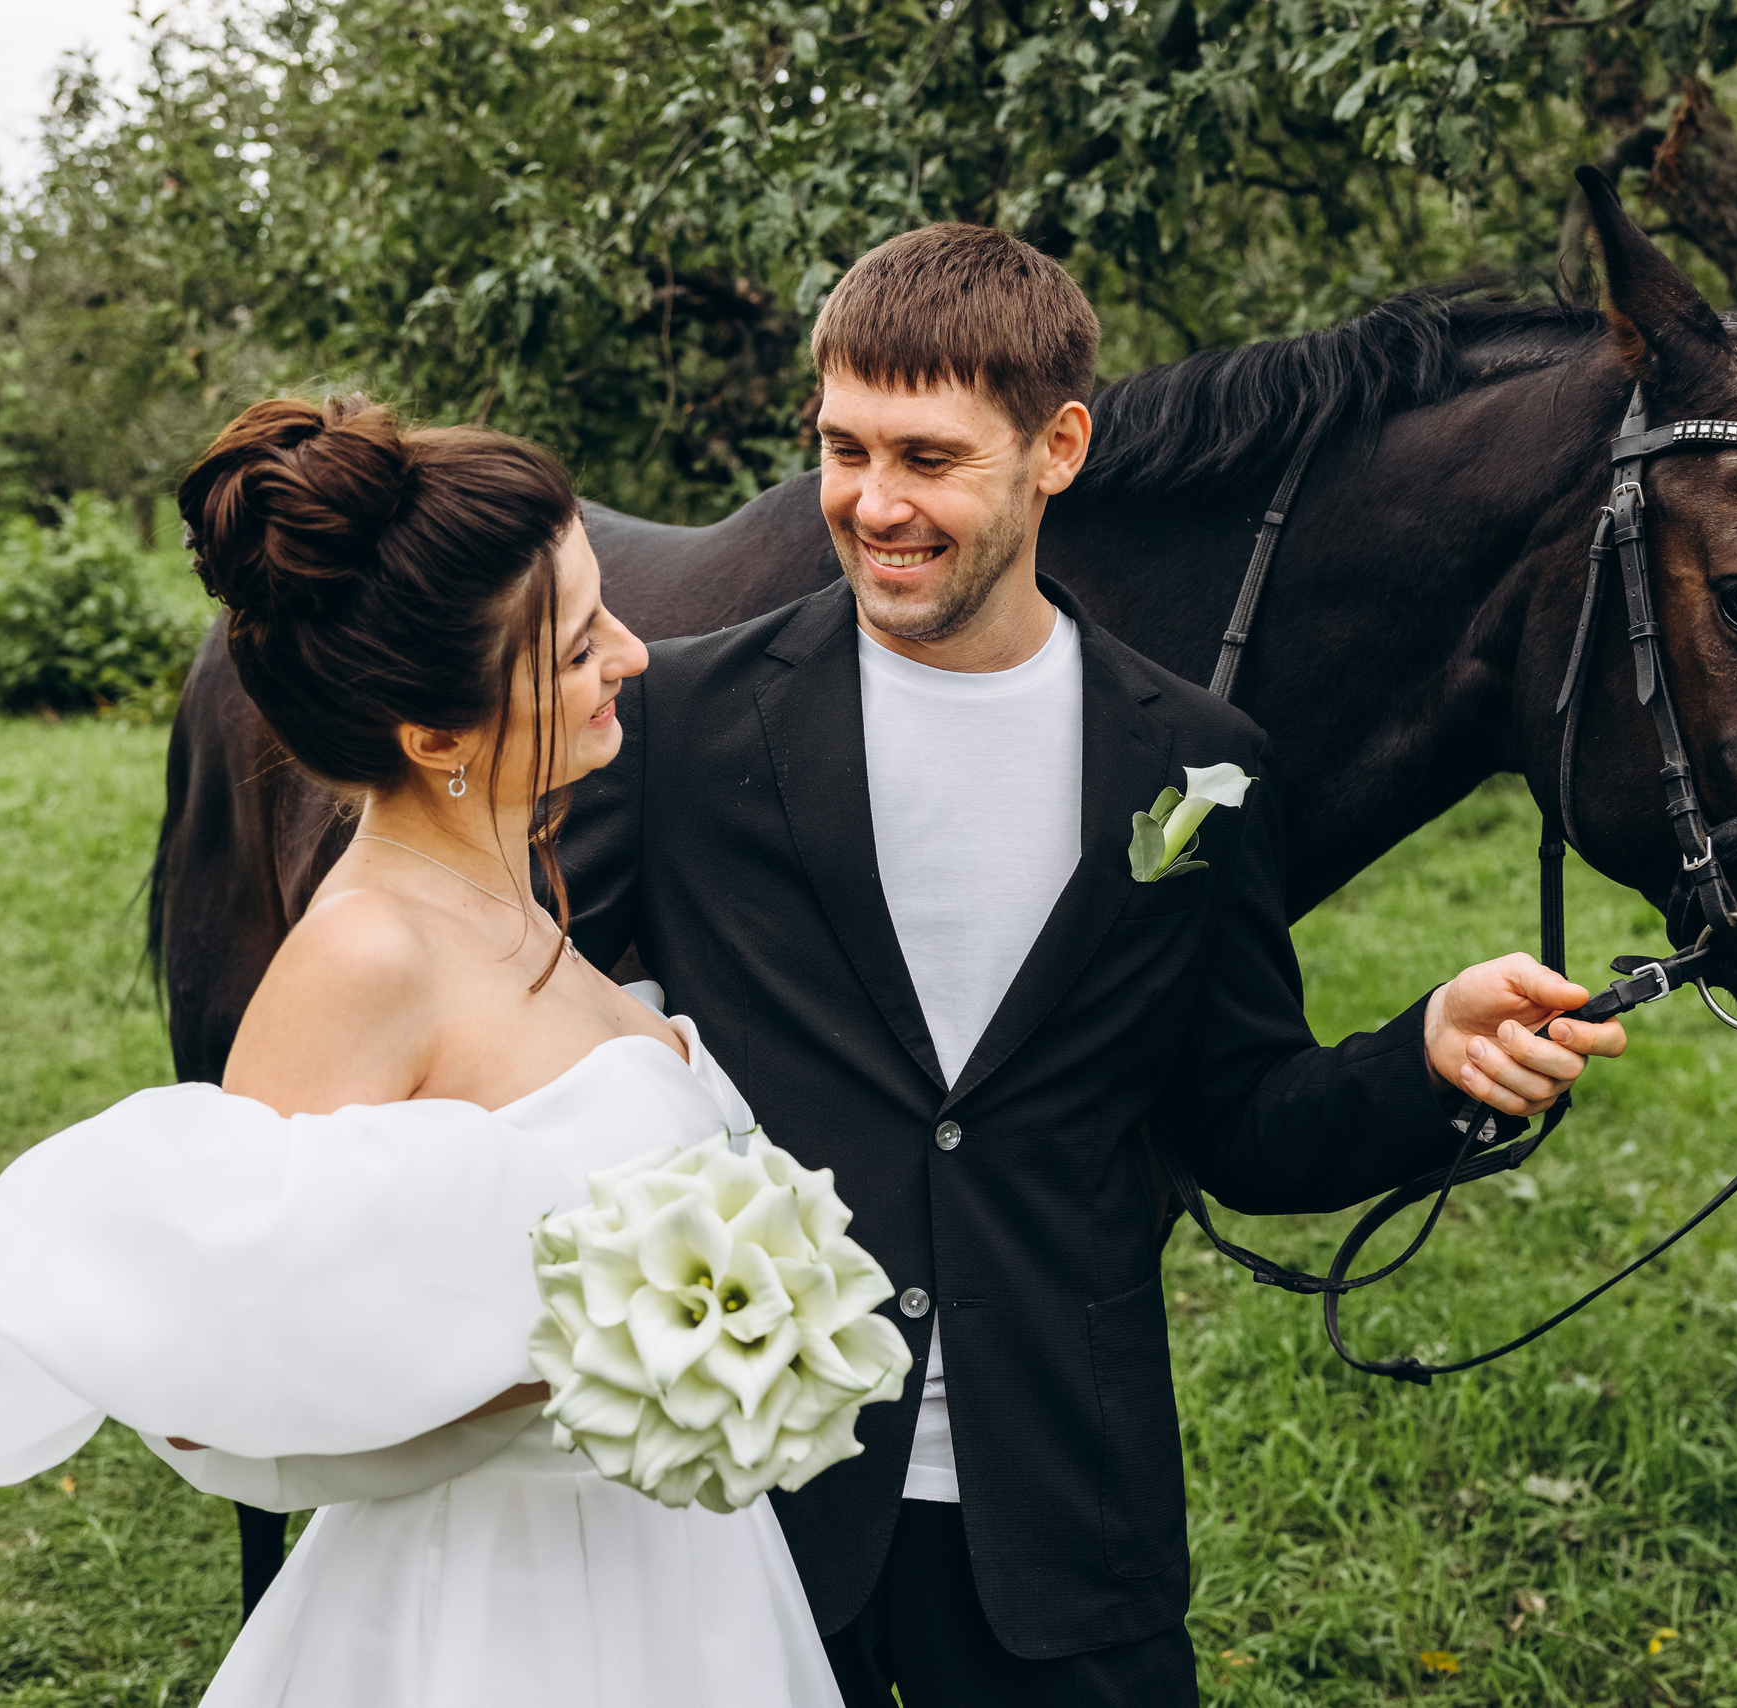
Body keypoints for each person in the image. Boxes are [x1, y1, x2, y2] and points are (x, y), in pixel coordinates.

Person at [550, 223, 1628, 1707]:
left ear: (1059, 447)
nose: (873, 505)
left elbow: (1240, 1120)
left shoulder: (1200, 763)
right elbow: (525, 1009)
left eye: (928, 459)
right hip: (748, 1528)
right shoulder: (685, 725)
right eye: (844, 448)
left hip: (1067, 1526)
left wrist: (1426, 1055)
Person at [0, 399, 841, 1706]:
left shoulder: (514, 897)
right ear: (437, 736)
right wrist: (586, 1364)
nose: (635, 655)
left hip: (688, 1587)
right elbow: (220, 1363)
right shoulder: (366, 957)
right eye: (581, 647)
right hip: (509, 1624)